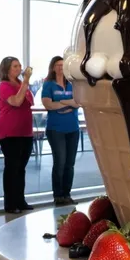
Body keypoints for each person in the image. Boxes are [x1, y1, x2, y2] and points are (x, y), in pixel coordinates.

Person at [0, 57, 34, 214]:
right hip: (10, 132)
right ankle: (10, 204)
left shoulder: (21, 84)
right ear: (7, 69)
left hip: (25, 131)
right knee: (12, 167)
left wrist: (24, 83)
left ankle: (20, 200)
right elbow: (17, 101)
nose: (19, 68)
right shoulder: (4, 86)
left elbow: (29, 102)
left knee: (21, 168)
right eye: (15, 66)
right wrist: (25, 81)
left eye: (19, 66)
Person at [41, 56, 80, 206]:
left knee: (70, 164)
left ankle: (66, 194)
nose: (60, 67)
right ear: (52, 67)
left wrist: (60, 102)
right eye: (57, 65)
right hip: (56, 129)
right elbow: (48, 105)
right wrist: (69, 104)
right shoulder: (48, 85)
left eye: (62, 65)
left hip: (73, 129)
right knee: (60, 162)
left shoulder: (72, 84)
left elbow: (79, 102)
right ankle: (58, 196)